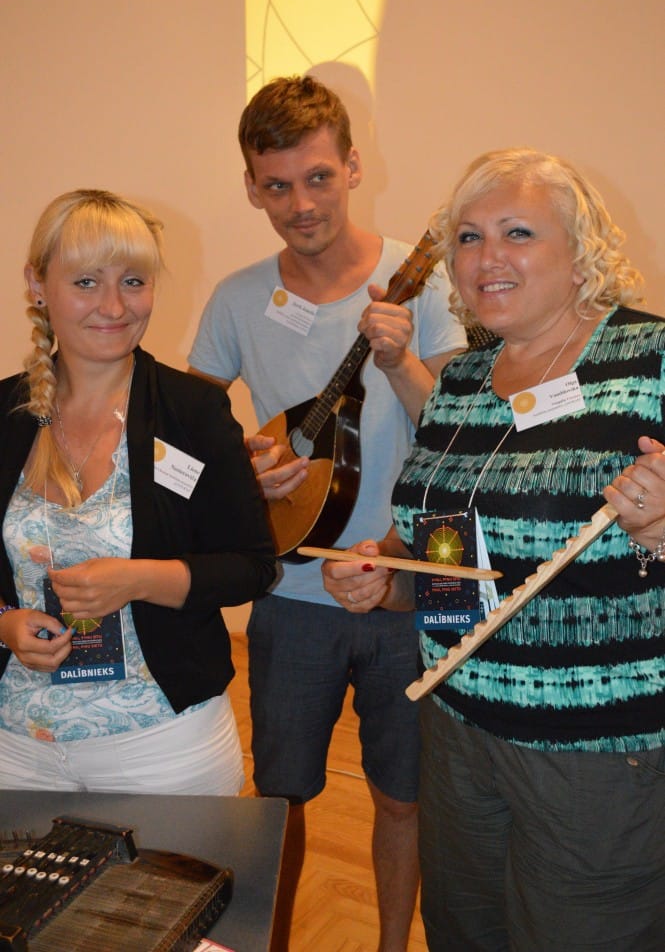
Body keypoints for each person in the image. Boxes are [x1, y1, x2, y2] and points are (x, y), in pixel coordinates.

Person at [321, 148, 665, 951]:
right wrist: (387, 579)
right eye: (468, 237)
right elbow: (450, 549)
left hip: (594, 751)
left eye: (517, 232)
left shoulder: (648, 359)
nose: (486, 257)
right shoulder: (462, 381)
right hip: (457, 727)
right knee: (463, 930)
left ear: (580, 251)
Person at [188, 75, 466, 950]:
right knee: (280, 798)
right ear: (250, 187)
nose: (300, 204)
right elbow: (184, 442)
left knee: (402, 797)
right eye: (277, 185)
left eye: (316, 177)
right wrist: (245, 469)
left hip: (405, 587)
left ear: (352, 166)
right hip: (291, 597)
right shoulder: (237, 299)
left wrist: (398, 363)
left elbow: (457, 435)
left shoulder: (422, 284)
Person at [0, 189, 275, 796]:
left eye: (133, 281)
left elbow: (252, 567)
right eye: (86, 282)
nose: (114, 306)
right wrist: (4, 625)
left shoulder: (194, 412)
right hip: (16, 744)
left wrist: (139, 579)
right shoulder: (5, 414)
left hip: (161, 744)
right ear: (37, 285)